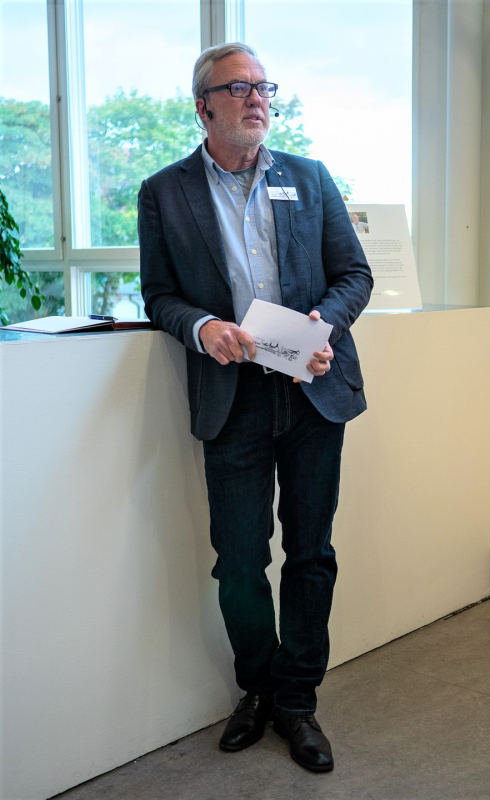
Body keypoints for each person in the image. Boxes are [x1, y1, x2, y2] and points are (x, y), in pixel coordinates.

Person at [138, 42, 373, 773]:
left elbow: (353, 274)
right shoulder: (164, 191)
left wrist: (323, 326)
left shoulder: (308, 176)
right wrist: (202, 326)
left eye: (264, 87)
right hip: (231, 397)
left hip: (310, 391)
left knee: (311, 554)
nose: (257, 98)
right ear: (203, 106)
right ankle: (259, 688)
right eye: (238, 88)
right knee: (239, 561)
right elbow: (160, 295)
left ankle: (296, 702)